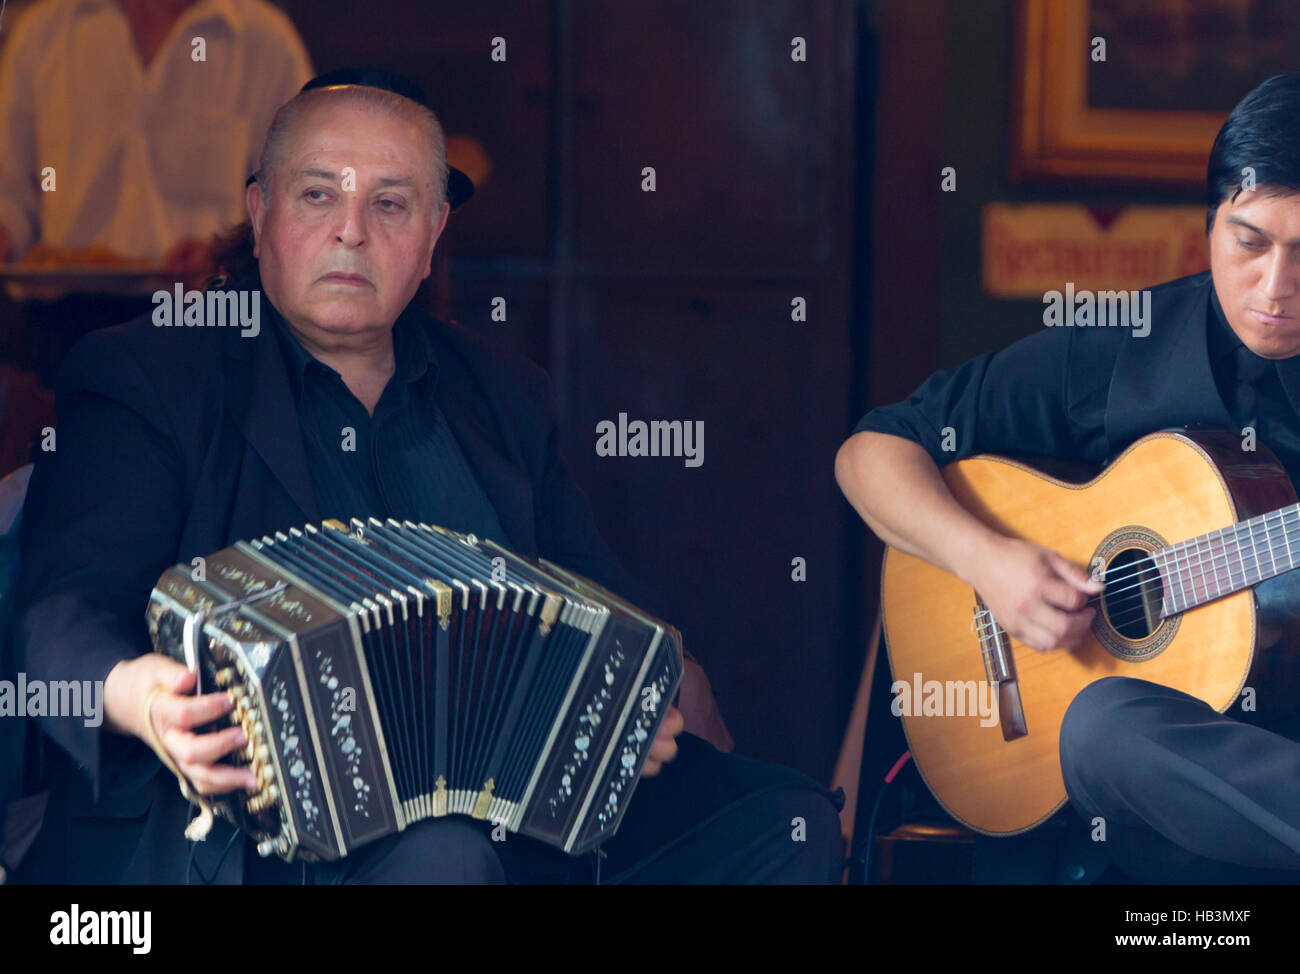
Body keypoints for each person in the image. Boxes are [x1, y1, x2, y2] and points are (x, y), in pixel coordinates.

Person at [9, 72, 844, 885]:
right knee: (446, 857)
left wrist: (638, 689)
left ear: (433, 233)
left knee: (783, 820)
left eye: (390, 203)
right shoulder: (149, 376)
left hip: (515, 815)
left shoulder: (503, 394)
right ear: (261, 214)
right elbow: (56, 619)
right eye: (317, 195)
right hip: (246, 830)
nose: (351, 232)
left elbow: (600, 600)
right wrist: (141, 696)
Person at [836, 73, 1300, 884]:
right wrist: (989, 562)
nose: (1275, 288)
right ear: (1207, 229)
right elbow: (872, 451)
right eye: (1250, 243)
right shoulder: (1125, 348)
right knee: (1099, 728)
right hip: (1148, 800)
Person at [0, 0, 313, 278]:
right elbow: (10, 189)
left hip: (205, 308)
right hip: (62, 306)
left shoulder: (266, 42)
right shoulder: (43, 31)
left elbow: (298, 200)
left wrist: (228, 254)